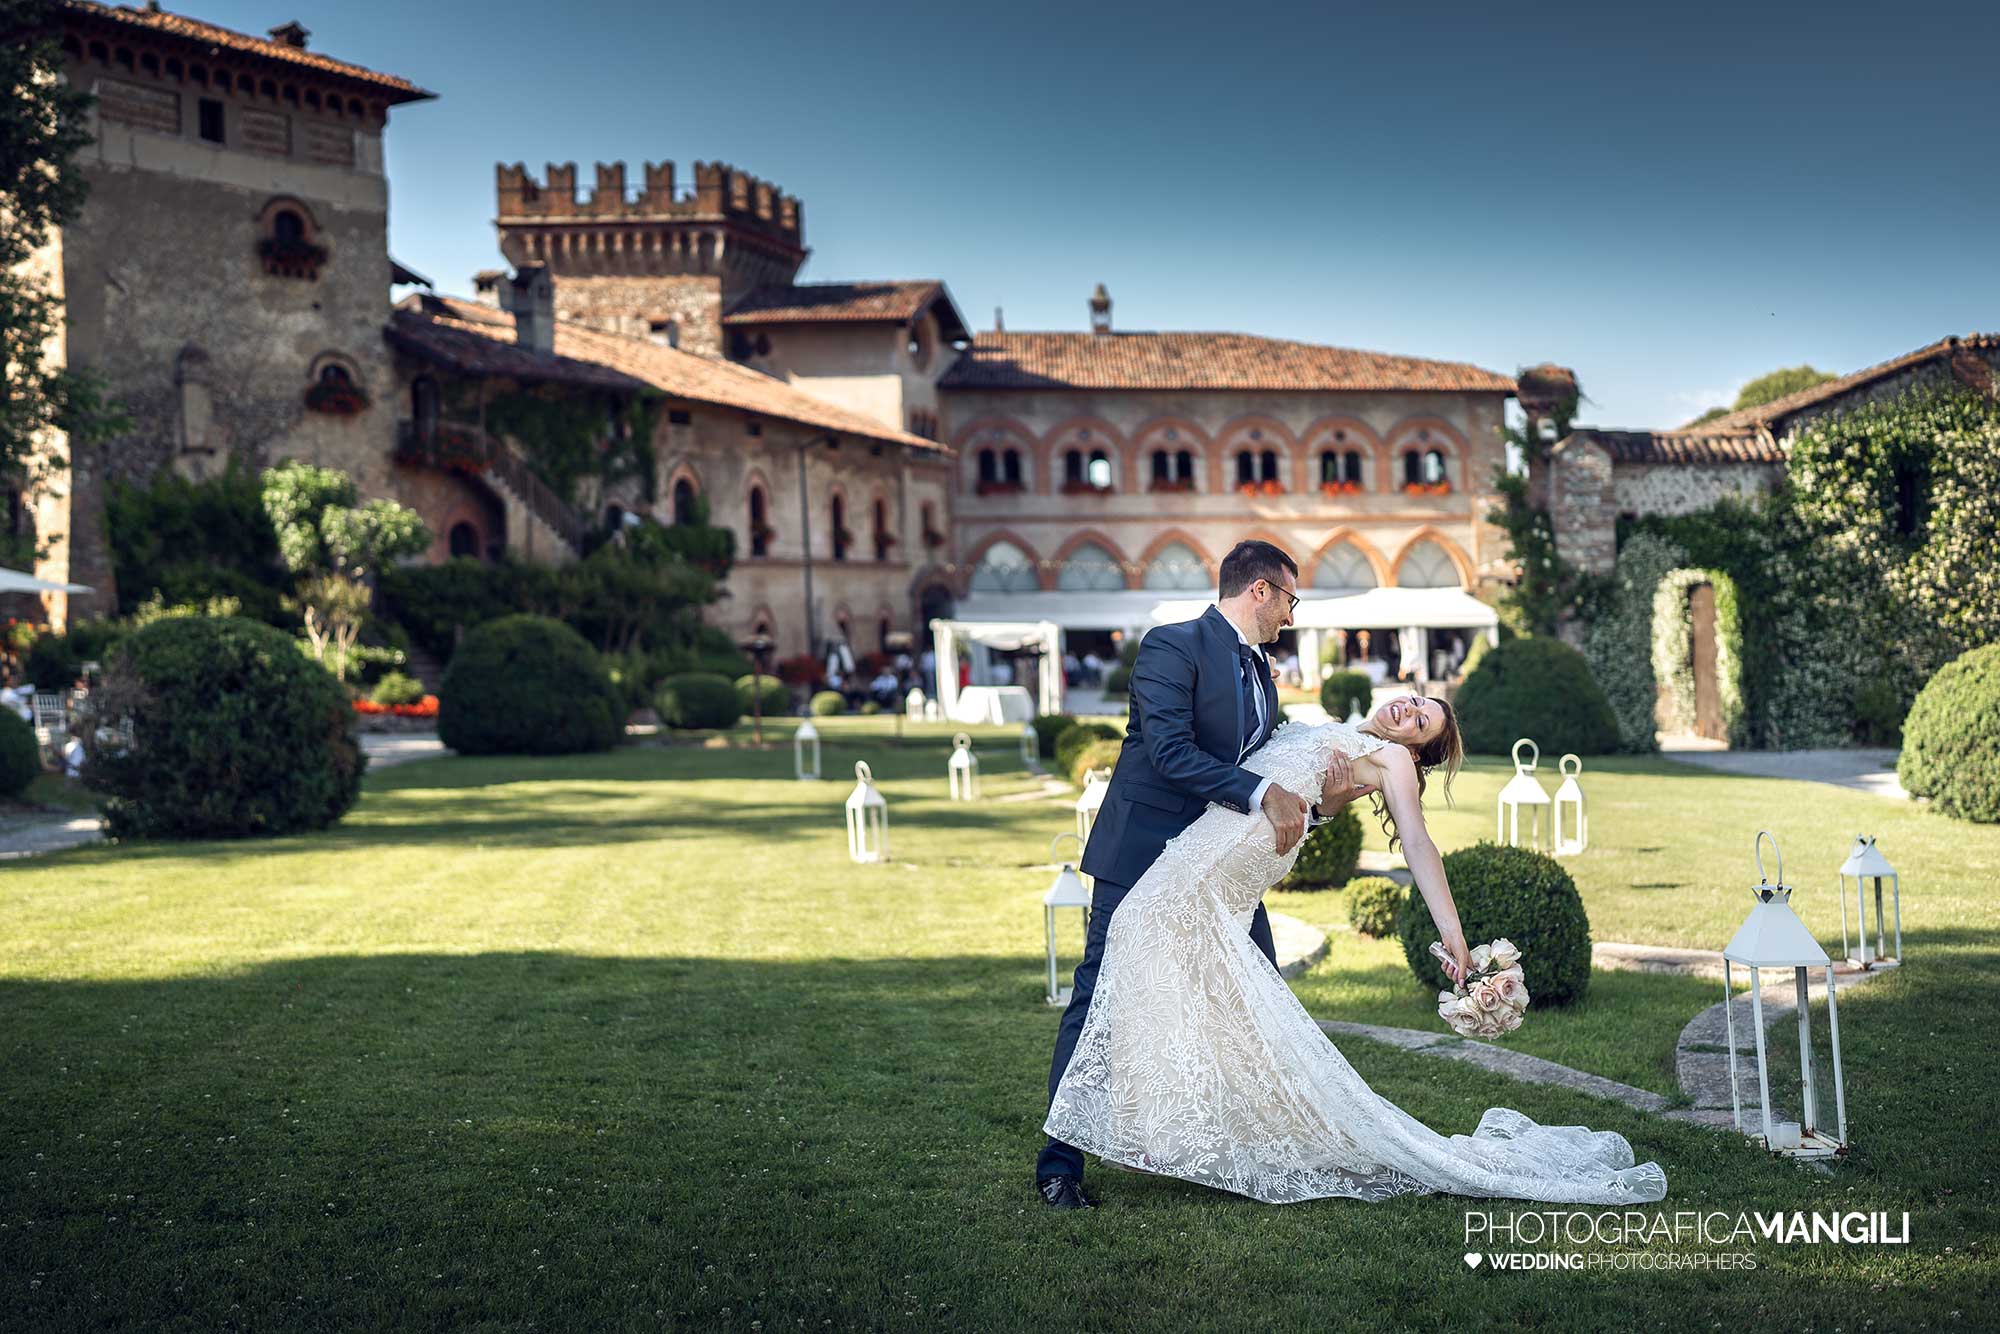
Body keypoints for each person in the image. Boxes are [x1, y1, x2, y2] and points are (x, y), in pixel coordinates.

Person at [1042, 695, 1668, 1207]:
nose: (1409, 712)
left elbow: (1418, 845)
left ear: (1417, 748)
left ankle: (1153, 1130)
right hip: (1220, 840)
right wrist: (1329, 806)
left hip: (1229, 858)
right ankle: (1166, 1131)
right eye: (1417, 702)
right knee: (1185, 971)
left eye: (1421, 722)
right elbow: (1300, 794)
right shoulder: (1340, 728)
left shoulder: (1392, 761)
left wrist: (1452, 933)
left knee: (1145, 929)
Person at [1035, 540, 1377, 1211]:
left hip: (1217, 870)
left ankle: (1255, 1148)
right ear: (1259, 589)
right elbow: (1167, 752)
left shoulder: (1263, 673)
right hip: (1141, 852)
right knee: (1101, 996)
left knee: (1259, 994)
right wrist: (1259, 793)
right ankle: (1059, 1164)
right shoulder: (1173, 644)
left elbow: (1275, 771)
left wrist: (1324, 802)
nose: (1290, 615)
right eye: (1289, 599)